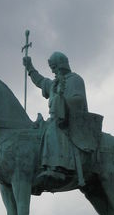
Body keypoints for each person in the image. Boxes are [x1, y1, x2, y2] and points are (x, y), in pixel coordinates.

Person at [23, 51, 88, 183]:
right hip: (55, 119)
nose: (53, 71)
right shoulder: (54, 84)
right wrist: (30, 67)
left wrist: (62, 100)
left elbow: (79, 100)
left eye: (54, 67)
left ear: (61, 65)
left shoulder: (75, 79)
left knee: (52, 130)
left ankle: (58, 167)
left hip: (71, 121)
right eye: (52, 68)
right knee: (39, 130)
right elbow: (41, 81)